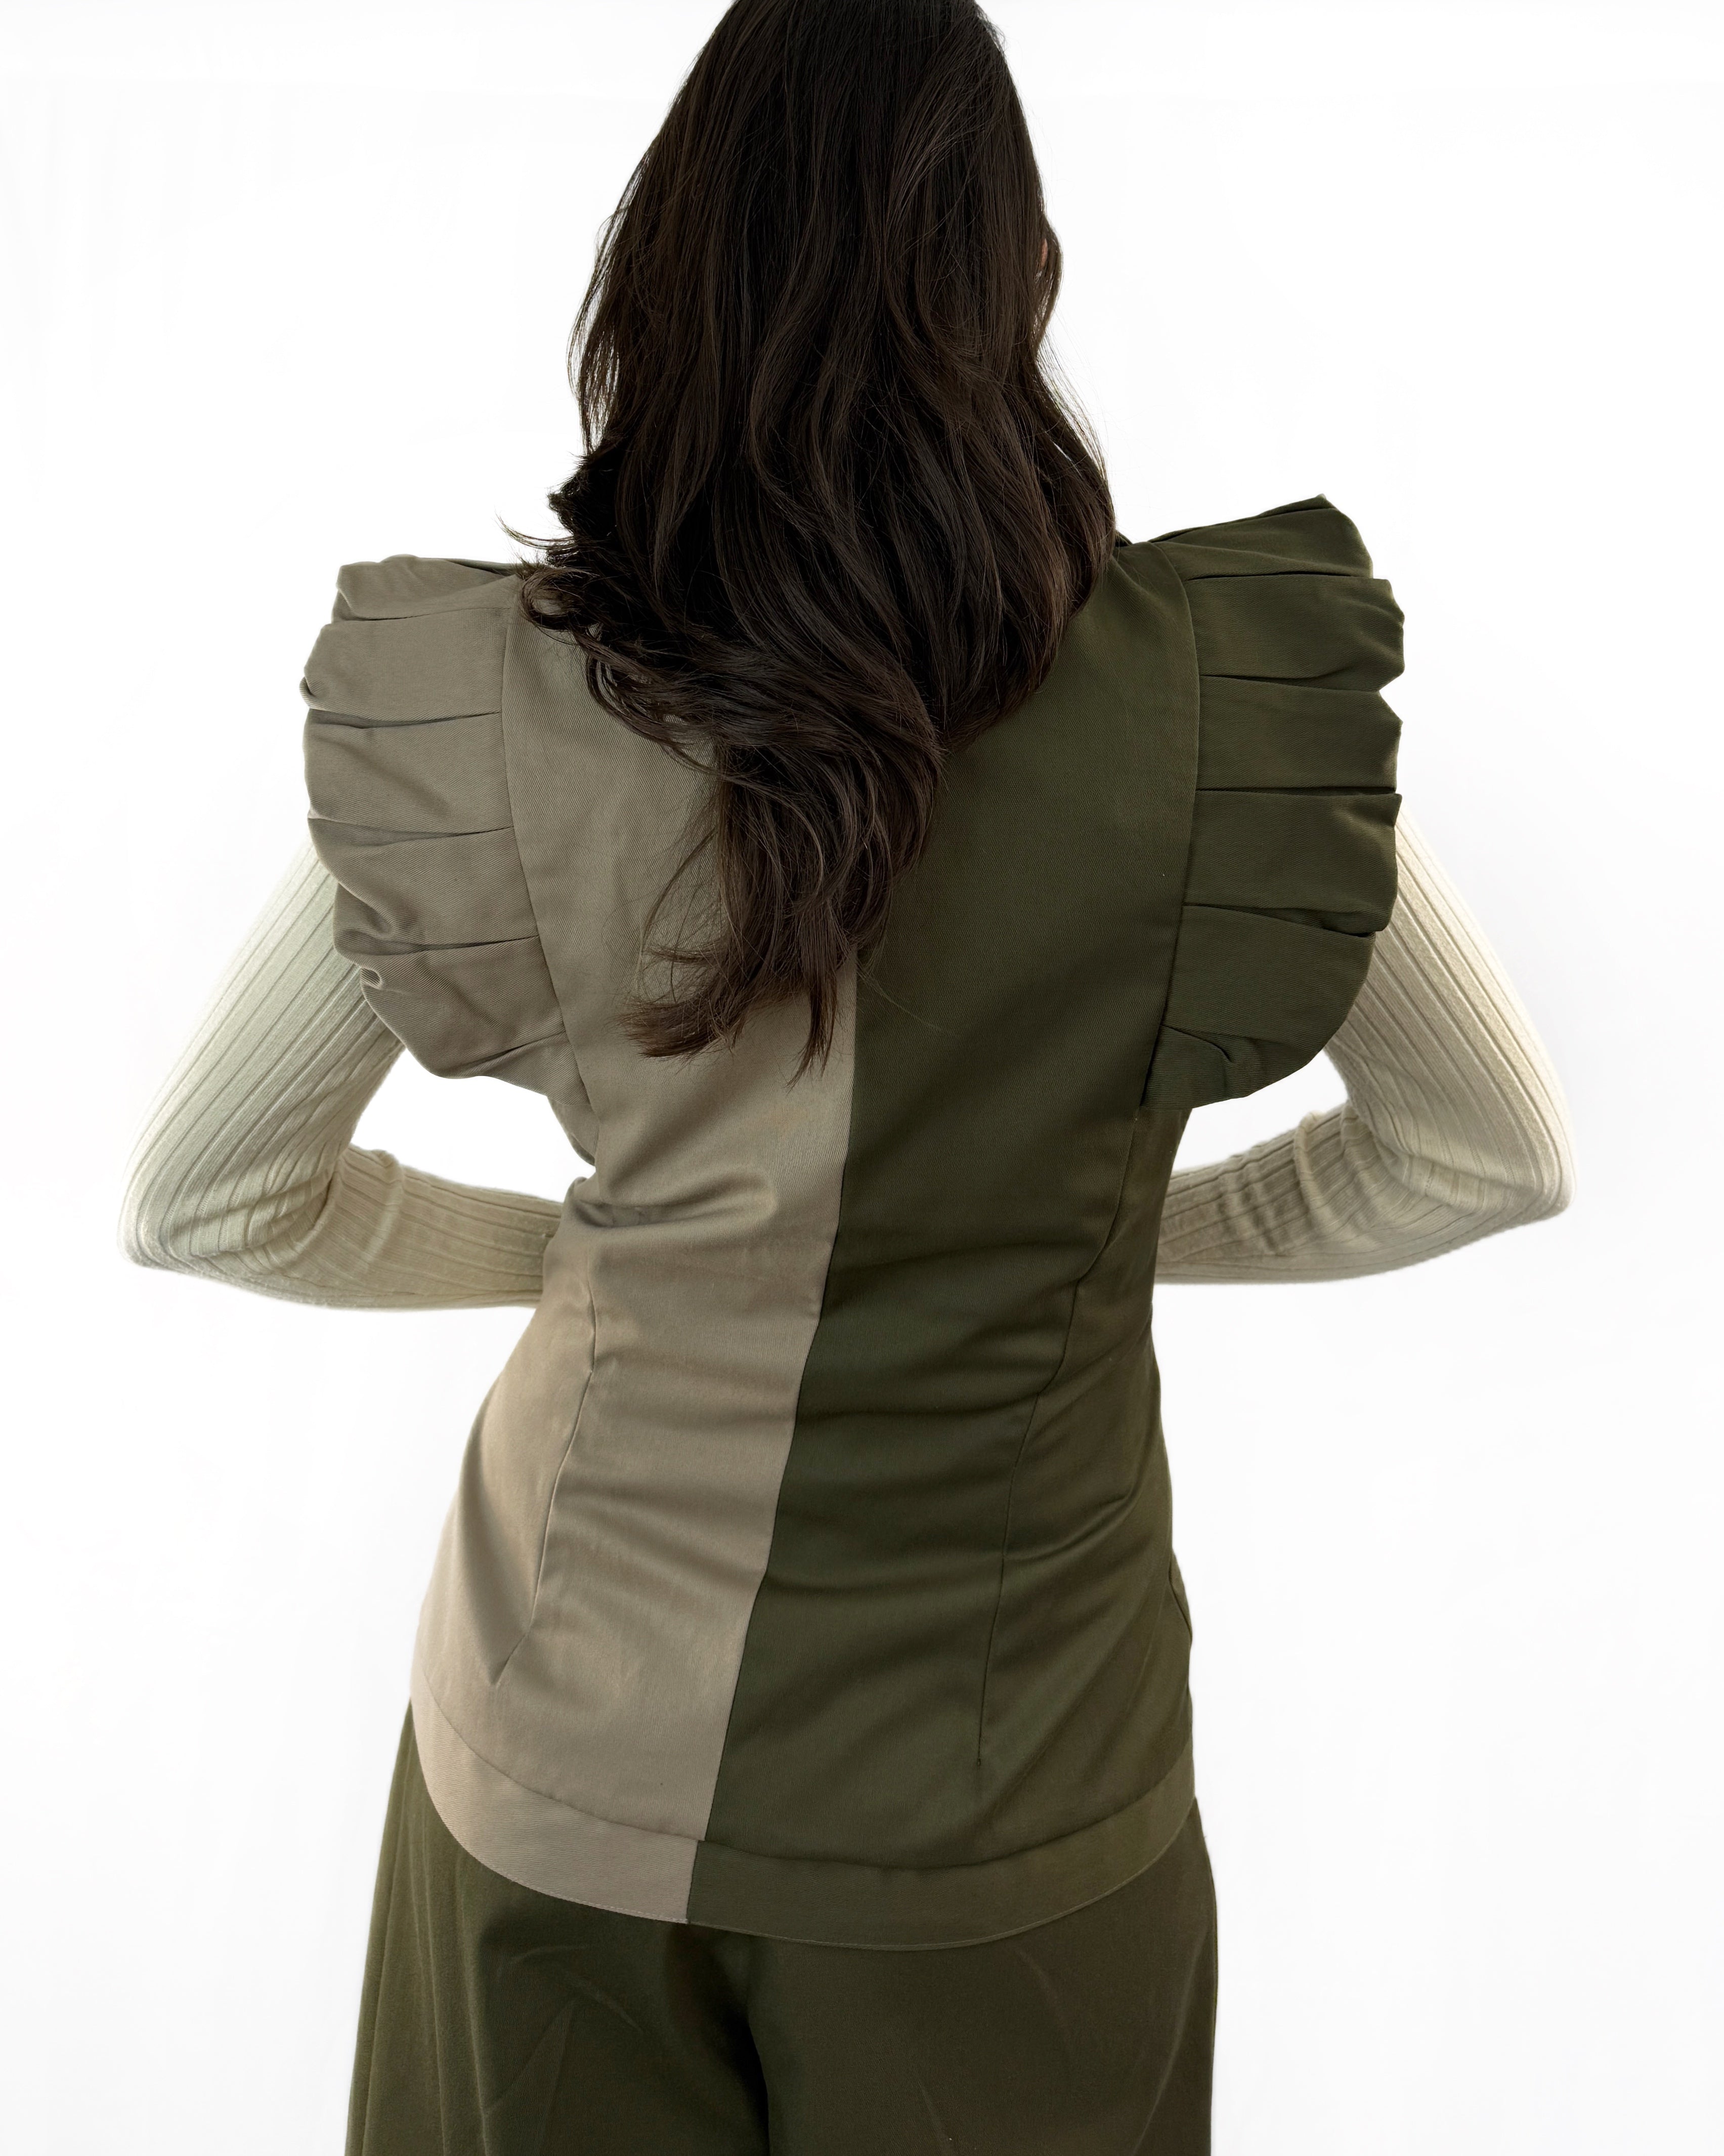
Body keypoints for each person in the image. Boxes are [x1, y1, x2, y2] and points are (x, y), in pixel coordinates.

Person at [120, 2, 1574, 2149]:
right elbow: (1487, 1156)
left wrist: (608, 1256)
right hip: (1014, 1804)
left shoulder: (492, 707)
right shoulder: (1215, 708)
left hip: (559, 1761)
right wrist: (1077, 1233)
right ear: (1024, 281)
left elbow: (209, 1200)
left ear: (660, 279)